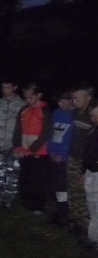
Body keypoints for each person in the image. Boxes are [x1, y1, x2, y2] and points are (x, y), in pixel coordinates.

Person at [13, 83, 52, 213]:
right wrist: (17, 146)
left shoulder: (45, 110)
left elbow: (45, 133)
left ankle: (38, 206)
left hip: (39, 152)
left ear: (39, 95)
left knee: (38, 180)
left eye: (31, 97)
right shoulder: (24, 110)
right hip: (24, 152)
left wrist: (32, 149)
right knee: (25, 178)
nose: (27, 100)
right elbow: (18, 130)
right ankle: (26, 203)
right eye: (26, 97)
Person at [0, 79, 25, 208]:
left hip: (13, 145)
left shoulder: (22, 105)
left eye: (8, 87)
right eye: (3, 87)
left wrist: (22, 147)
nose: (5, 90)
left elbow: (24, 128)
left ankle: (8, 199)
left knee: (12, 174)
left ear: (15, 87)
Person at [67, 83, 95, 233]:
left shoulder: (93, 115)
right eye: (73, 98)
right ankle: (75, 219)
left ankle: (85, 224)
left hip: (85, 160)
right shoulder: (76, 112)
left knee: (83, 191)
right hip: (73, 156)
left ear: (88, 98)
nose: (74, 101)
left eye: (78, 98)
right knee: (72, 189)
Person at [49, 91, 74, 225]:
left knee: (66, 186)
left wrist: (63, 155)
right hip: (54, 156)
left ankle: (67, 214)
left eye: (63, 101)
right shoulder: (56, 114)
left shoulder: (75, 116)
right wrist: (51, 152)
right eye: (59, 102)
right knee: (57, 186)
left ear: (71, 100)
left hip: (66, 158)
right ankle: (61, 211)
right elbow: (50, 135)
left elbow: (72, 140)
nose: (60, 104)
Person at [81, 100, 98, 245]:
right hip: (90, 173)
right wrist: (83, 170)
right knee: (92, 206)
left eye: (94, 116)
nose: (92, 119)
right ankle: (93, 238)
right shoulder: (94, 130)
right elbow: (87, 152)